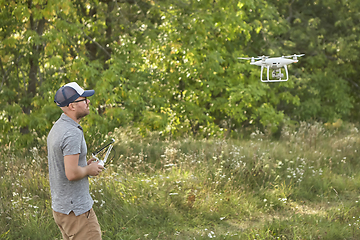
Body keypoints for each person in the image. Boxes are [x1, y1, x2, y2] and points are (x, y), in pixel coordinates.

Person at [47, 82, 104, 240]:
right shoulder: (72, 133)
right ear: (72, 105)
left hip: (61, 209)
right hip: (76, 212)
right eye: (84, 99)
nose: (88, 101)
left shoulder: (58, 127)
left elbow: (65, 165)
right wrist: (89, 170)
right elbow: (71, 173)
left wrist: (83, 166)